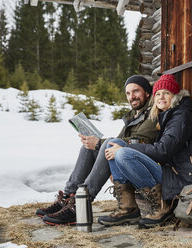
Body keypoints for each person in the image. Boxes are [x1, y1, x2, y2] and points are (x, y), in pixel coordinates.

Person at [36, 75, 158, 226]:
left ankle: (81, 203)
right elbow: (120, 141)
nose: (131, 97)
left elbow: (141, 142)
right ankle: (69, 196)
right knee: (88, 148)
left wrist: (100, 143)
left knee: (107, 143)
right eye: (128, 93)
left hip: (142, 167)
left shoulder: (153, 113)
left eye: (136, 91)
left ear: (147, 92)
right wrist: (96, 144)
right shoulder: (135, 115)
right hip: (127, 160)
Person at [97, 74, 192, 228]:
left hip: (186, 179)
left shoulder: (182, 117)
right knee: (114, 144)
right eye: (158, 93)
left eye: (166, 93)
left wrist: (127, 148)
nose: (161, 97)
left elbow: (163, 150)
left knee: (123, 152)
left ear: (175, 96)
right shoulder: (168, 115)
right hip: (172, 173)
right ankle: (127, 208)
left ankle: (162, 207)